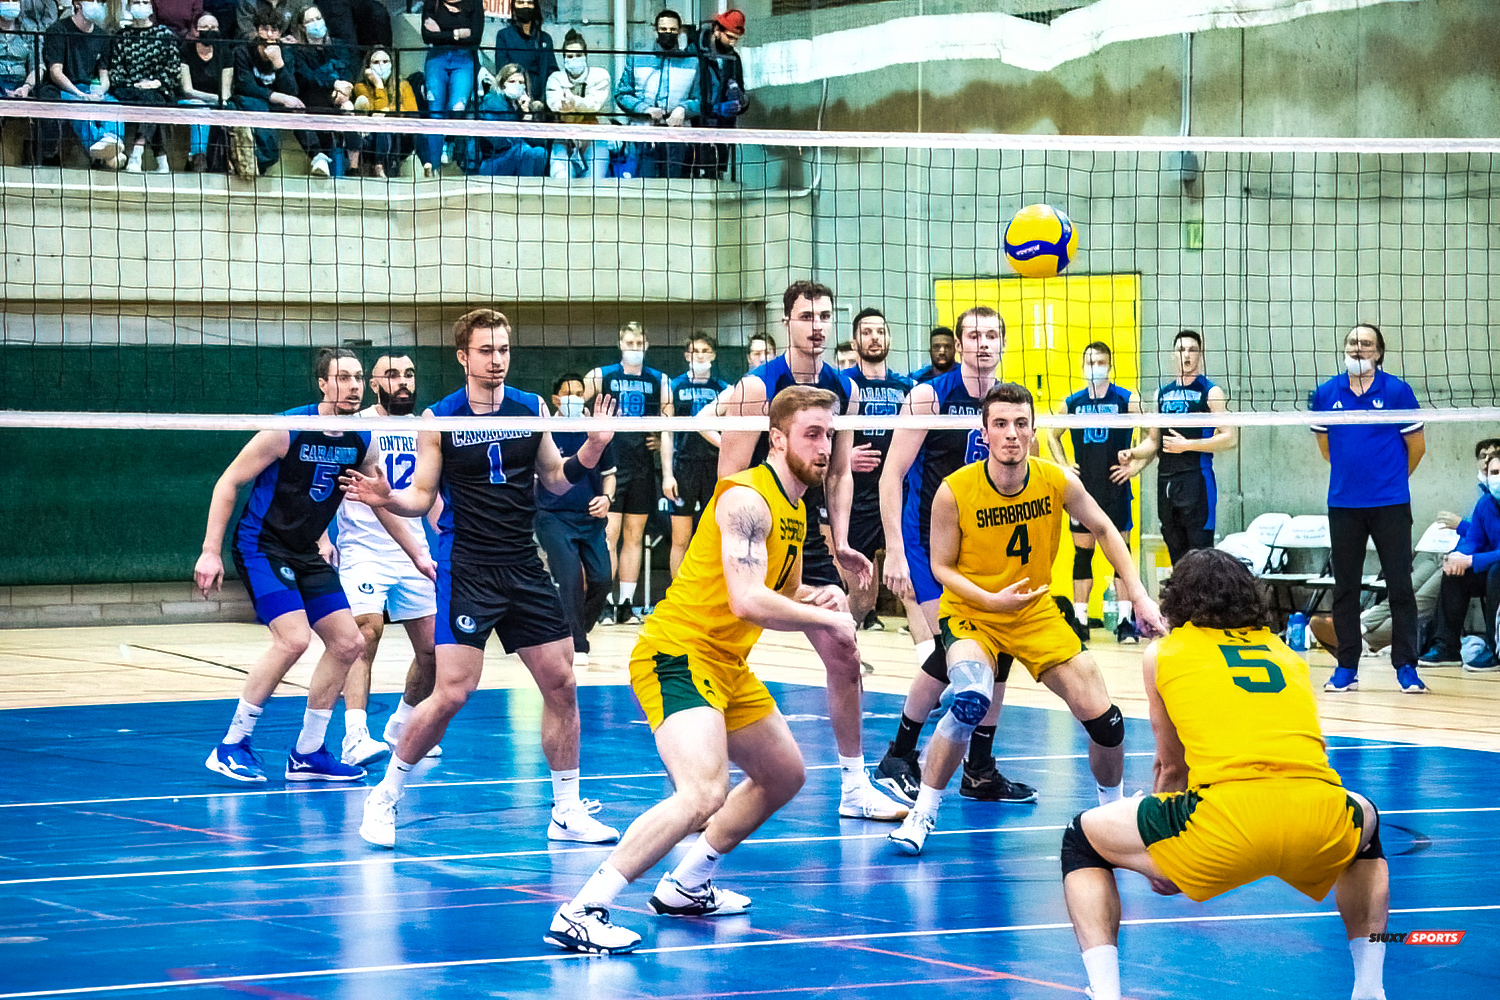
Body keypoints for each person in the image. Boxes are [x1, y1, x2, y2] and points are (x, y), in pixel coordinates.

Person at [544, 386, 859, 955]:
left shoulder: (794, 507)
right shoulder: (746, 498)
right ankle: (583, 907)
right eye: (812, 434)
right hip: (678, 651)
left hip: (725, 661)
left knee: (785, 774)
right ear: (778, 438)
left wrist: (821, 593)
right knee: (702, 793)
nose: (823, 447)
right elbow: (746, 600)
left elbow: (771, 588)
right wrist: (824, 619)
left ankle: (688, 882)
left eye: (829, 435)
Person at [342, 308, 621, 850]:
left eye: (504, 350)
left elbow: (556, 481)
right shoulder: (438, 417)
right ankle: (384, 797)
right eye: (486, 351)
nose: (497, 361)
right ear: (463, 356)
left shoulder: (529, 407)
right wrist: (389, 498)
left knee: (562, 683)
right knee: (452, 692)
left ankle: (565, 810)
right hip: (468, 565)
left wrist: (592, 446)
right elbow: (422, 495)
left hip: (522, 561)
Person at [1060, 548, 1390, 1000]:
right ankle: (1370, 988)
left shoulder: (1164, 653)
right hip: (1317, 814)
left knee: (1081, 838)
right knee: (1367, 823)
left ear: (1177, 600)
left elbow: (1172, 767)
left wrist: (1165, 851)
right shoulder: (1286, 653)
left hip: (1226, 824)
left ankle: (1106, 992)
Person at [887, 382, 1165, 854]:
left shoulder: (1056, 480)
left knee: (1108, 723)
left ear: (1033, 431)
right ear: (984, 431)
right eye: (1000, 424)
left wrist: (1139, 595)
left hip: (1035, 612)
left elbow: (1103, 527)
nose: (1011, 434)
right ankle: (923, 813)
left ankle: (1111, 814)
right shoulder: (955, 492)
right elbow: (941, 568)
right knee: (970, 700)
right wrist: (992, 601)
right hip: (975, 613)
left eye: (1020, 424)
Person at [715, 280, 905, 822]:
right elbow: (728, 475)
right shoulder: (757, 387)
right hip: (752, 530)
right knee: (726, 650)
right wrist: (750, 533)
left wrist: (840, 539)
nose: (817, 325)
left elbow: (839, 470)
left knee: (843, 650)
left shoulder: (841, 386)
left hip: (805, 531)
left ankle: (854, 786)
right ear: (787, 322)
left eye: (825, 315)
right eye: (806, 316)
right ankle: (703, 781)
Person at [874, 306, 1036, 807]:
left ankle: (980, 768)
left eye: (991, 334)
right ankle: (899, 755)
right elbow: (890, 476)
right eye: (973, 334)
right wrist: (896, 553)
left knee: (1000, 650)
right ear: (958, 343)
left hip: (984, 548)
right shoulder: (930, 397)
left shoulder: (1010, 402)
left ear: (1003, 343)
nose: (982, 342)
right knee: (952, 651)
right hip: (927, 544)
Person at [195, 348, 379, 784]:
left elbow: (375, 498)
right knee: (293, 639)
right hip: (262, 545)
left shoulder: (362, 439)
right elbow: (229, 481)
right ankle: (231, 744)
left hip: (307, 551)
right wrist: (209, 550)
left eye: (358, 378)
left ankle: (308, 753)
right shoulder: (286, 429)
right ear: (322, 383)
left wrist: (416, 552)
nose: (353, 386)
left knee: (349, 642)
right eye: (343, 378)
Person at [328, 354, 441, 768]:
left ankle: (402, 726)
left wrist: (441, 538)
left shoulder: (428, 427)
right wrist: (322, 536)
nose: (403, 382)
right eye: (392, 375)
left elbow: (431, 493)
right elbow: (321, 486)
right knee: (365, 633)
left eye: (409, 373)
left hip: (414, 551)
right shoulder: (357, 426)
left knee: (434, 653)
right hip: (364, 550)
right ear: (375, 384)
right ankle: (355, 736)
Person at [1309, 323, 1426, 695]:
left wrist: (1388, 482)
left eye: (1367, 344)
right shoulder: (1327, 393)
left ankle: (1406, 666)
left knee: (1400, 585)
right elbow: (1326, 450)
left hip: (1390, 504)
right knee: (1345, 587)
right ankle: (1347, 667)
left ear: (1378, 352)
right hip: (1344, 504)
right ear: (1345, 349)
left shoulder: (1396, 391)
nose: (1359, 348)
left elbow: (1417, 447)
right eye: (1353, 342)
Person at [1046, 342, 1143, 641]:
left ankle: (1126, 621)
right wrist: (1063, 466)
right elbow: (1052, 434)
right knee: (1082, 555)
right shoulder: (1072, 402)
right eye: (1090, 361)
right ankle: (1080, 620)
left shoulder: (1127, 398)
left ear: (1110, 365)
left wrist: (1134, 466)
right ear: (1082, 366)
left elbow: (1154, 436)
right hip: (1083, 491)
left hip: (1115, 488)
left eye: (1101, 361)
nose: (1095, 366)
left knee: (1120, 556)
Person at [1116, 329, 1236, 565]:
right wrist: (1133, 453)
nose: (1186, 355)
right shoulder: (1161, 393)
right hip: (1166, 482)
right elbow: (1153, 440)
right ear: (1173, 355)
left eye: (1192, 350)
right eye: (1181, 350)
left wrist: (1188, 445)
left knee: (1201, 556)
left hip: (1196, 481)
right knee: (1176, 555)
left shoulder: (1210, 392)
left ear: (1200, 355)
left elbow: (1230, 437)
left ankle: (1204, 602)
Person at [583, 322, 674, 624]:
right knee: (609, 535)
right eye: (629, 342)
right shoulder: (602, 375)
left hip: (642, 468)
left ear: (646, 346)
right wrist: (592, 432)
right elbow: (573, 402)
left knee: (634, 537)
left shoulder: (659, 380)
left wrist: (663, 449)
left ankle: (625, 603)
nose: (634, 348)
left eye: (639, 343)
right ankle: (604, 602)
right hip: (611, 466)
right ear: (620, 344)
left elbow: (668, 426)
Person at [839, 308, 916, 631]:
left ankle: (929, 646)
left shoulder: (908, 387)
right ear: (855, 341)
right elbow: (824, 434)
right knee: (860, 581)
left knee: (912, 569)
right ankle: (851, 630)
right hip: (857, 493)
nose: (874, 338)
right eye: (867, 332)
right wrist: (844, 458)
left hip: (899, 490)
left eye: (880, 332)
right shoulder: (843, 385)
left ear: (890, 339)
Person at [536, 373, 616, 668]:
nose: (576, 398)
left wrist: (607, 499)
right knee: (569, 578)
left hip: (590, 517)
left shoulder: (596, 430)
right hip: (552, 516)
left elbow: (610, 476)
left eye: (580, 393)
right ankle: (577, 644)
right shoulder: (545, 430)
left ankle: (574, 629)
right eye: (569, 393)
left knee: (602, 580)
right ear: (556, 399)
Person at [1421, 452, 1500, 671]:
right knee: (1456, 574)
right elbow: (1473, 539)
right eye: (1494, 472)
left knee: (1496, 572)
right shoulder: (1485, 504)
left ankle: (1496, 649)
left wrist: (1471, 560)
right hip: (1494, 567)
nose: (1498, 478)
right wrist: (1457, 557)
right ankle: (1447, 647)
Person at [667, 333, 729, 574]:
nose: (700, 355)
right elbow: (667, 432)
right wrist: (667, 474)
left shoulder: (724, 389)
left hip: (714, 466)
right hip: (684, 466)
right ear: (686, 356)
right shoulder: (673, 386)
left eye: (705, 351)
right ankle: (675, 598)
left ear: (713, 355)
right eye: (695, 351)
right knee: (680, 538)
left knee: (714, 538)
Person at [38, 1, 126, 169]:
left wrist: (100, 91)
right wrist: (78, 93)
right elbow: (56, 73)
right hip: (65, 88)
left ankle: (110, 143)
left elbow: (104, 75)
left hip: (91, 89)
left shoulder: (102, 36)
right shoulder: (58, 31)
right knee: (78, 107)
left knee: (114, 105)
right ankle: (103, 149)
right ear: (77, 4)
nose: (97, 4)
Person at [615, 8, 698, 179]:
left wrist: (683, 109)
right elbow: (622, 94)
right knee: (644, 187)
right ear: (656, 30)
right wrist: (645, 109)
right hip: (644, 134)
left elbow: (702, 99)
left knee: (675, 187)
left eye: (673, 30)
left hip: (678, 135)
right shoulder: (638, 57)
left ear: (680, 31)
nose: (668, 33)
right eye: (664, 29)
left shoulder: (693, 61)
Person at [229, 6, 303, 177]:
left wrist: (279, 64)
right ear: (256, 30)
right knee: (256, 105)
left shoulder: (286, 53)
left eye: (274, 30)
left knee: (300, 110)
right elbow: (245, 85)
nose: (269, 34)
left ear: (279, 33)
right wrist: (277, 96)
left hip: (276, 105)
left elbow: (292, 90)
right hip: (251, 100)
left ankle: (318, 155)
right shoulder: (243, 51)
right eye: (264, 29)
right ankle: (248, 158)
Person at [110, 0, 180, 173]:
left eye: (144, 1)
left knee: (153, 98)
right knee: (150, 99)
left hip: (159, 88)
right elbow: (116, 72)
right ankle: (160, 158)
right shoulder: (121, 37)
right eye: (136, 2)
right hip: (129, 89)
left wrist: (156, 82)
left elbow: (173, 69)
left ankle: (137, 154)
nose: (140, 5)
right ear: (128, 7)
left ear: (151, 6)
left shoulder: (164, 34)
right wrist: (136, 85)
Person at [416, 0, 481, 178]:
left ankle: (450, 141)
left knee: (457, 108)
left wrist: (442, 33)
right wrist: (457, 33)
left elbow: (475, 37)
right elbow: (427, 36)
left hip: (463, 59)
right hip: (437, 58)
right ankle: (433, 166)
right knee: (435, 112)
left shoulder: (474, 3)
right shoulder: (432, 2)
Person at [289, 4, 354, 177]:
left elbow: (347, 69)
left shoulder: (339, 45)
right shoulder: (297, 52)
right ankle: (320, 157)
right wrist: (334, 84)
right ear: (302, 27)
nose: (316, 23)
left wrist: (341, 90)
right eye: (310, 21)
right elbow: (307, 76)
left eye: (318, 18)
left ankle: (352, 166)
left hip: (340, 98)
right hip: (312, 99)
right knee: (312, 98)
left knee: (349, 107)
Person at [544, 28, 611, 181]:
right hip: (563, 140)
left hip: (595, 139)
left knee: (595, 186)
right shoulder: (555, 78)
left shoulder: (601, 75)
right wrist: (564, 106)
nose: (574, 59)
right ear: (564, 59)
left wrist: (574, 102)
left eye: (578, 55)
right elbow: (554, 103)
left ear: (586, 56)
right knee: (560, 184)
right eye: (570, 56)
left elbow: (594, 104)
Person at [692, 7, 745, 178]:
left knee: (716, 177)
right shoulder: (695, 54)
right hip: (696, 127)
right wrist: (713, 109)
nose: (732, 43)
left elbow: (741, 91)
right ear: (716, 30)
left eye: (736, 39)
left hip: (723, 129)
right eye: (729, 37)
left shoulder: (734, 59)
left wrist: (740, 101)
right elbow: (690, 92)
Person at [469, 62, 546, 176]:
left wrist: (526, 114)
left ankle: (532, 189)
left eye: (521, 82)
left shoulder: (520, 106)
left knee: (540, 152)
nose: (516, 85)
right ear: (502, 83)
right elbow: (499, 142)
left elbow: (538, 141)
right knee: (523, 151)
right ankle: (524, 190)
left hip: (515, 154)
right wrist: (520, 136)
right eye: (512, 81)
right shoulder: (492, 102)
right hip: (492, 161)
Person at [177, 11, 231, 172]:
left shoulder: (224, 52)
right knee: (201, 108)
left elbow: (226, 91)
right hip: (190, 100)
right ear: (195, 30)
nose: (210, 30)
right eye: (205, 27)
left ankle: (225, 164)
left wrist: (221, 100)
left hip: (216, 101)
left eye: (214, 27)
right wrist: (214, 99)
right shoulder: (186, 50)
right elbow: (187, 89)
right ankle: (198, 156)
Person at [351, 46, 417, 177]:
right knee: (382, 124)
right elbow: (373, 111)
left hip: (400, 136)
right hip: (370, 137)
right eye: (376, 62)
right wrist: (378, 85)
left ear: (391, 64)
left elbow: (412, 111)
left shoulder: (403, 85)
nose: (381, 65)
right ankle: (378, 165)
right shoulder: (360, 87)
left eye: (385, 61)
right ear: (367, 67)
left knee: (386, 123)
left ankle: (380, 166)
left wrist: (388, 111)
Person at [492, 0, 553, 104]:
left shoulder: (545, 38)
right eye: (521, 2)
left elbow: (552, 70)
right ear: (514, 7)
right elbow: (502, 70)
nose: (526, 6)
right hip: (513, 97)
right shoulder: (504, 36)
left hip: (540, 100)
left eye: (529, 2)